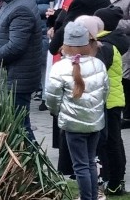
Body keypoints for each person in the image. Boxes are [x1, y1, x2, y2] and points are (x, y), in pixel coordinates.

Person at [44, 21, 108, 200]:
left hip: (73, 124)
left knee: (80, 165)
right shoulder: (98, 64)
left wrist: (58, 112)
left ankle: (87, 197)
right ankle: (92, 196)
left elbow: (52, 98)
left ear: (66, 44)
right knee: (89, 162)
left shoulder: (60, 68)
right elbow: (105, 92)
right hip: (95, 122)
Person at [0, 0, 44, 139]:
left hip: (17, 80)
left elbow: (17, 46)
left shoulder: (21, 7)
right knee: (16, 127)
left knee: (20, 128)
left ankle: (36, 164)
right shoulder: (12, 2)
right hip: (11, 77)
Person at [90, 7, 129, 196]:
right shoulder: (112, 42)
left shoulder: (104, 46)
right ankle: (116, 179)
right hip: (114, 99)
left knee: (111, 142)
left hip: (108, 101)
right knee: (115, 141)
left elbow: (96, 72)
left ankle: (114, 180)